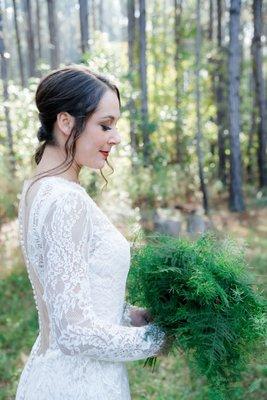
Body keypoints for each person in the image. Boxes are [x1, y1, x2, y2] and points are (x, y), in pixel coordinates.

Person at [15, 65, 169, 400]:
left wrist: (129, 316)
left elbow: (71, 297)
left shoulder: (36, 191)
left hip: (51, 377)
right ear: (66, 122)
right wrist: (159, 338)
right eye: (105, 125)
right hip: (81, 386)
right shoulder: (65, 201)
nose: (115, 137)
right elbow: (74, 333)